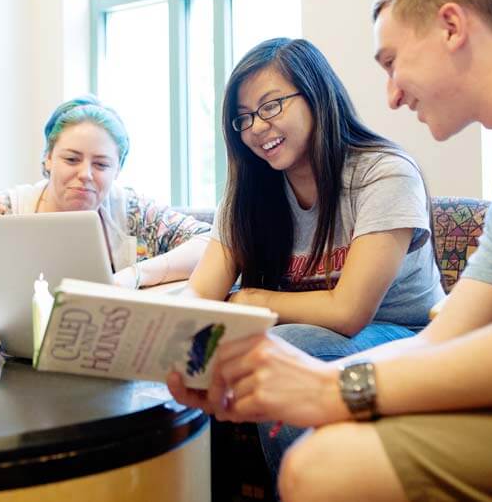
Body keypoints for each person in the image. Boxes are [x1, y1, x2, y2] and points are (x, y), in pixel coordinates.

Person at [168, 0, 492, 502]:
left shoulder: (382, 171)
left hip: (381, 331)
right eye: (245, 119)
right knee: (316, 452)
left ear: (452, 27)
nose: (390, 95)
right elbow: (453, 330)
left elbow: (357, 317)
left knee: (308, 391)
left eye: (392, 62)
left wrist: (341, 387)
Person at [180, 36, 444, 486]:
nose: (256, 128)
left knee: (285, 345)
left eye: (270, 107)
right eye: (243, 119)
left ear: (316, 94)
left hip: (407, 334)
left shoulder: (382, 173)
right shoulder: (249, 192)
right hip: (301, 330)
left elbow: (347, 312)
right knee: (194, 354)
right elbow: (199, 294)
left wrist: (252, 299)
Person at [0, 95, 211, 323]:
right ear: (48, 158)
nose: (86, 174)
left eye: (101, 164)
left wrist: (134, 276)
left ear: (118, 170)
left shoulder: (135, 213)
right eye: (71, 159)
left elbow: (213, 243)